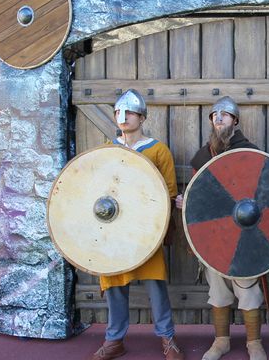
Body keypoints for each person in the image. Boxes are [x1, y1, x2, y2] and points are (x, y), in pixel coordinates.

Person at [89, 89, 184, 360]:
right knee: (115, 286)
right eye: (120, 111)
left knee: (155, 284)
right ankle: (114, 340)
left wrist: (156, 227)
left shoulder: (157, 150)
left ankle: (167, 338)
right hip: (113, 230)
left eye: (130, 112)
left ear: (141, 117)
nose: (124, 116)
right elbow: (96, 190)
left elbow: (168, 192)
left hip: (145, 230)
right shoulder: (107, 150)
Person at [174, 96, 267, 360]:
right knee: (217, 288)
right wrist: (186, 202)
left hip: (245, 232)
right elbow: (196, 192)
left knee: (247, 287)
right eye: (215, 115)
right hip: (214, 234)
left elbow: (263, 190)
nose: (219, 118)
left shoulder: (249, 151)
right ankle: (221, 341)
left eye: (224, 115)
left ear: (235, 120)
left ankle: (254, 342)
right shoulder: (204, 155)